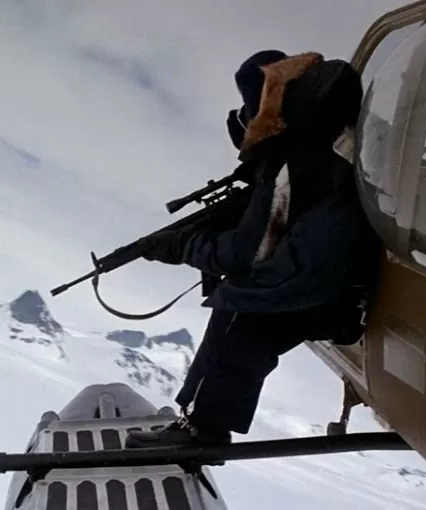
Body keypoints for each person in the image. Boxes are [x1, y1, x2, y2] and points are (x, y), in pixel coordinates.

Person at [123, 50, 382, 449]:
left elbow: (248, 252)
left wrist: (183, 245)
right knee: (250, 314)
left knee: (239, 302)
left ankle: (200, 428)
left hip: (330, 288)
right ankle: (201, 424)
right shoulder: (331, 134)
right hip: (353, 279)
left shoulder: (290, 159)